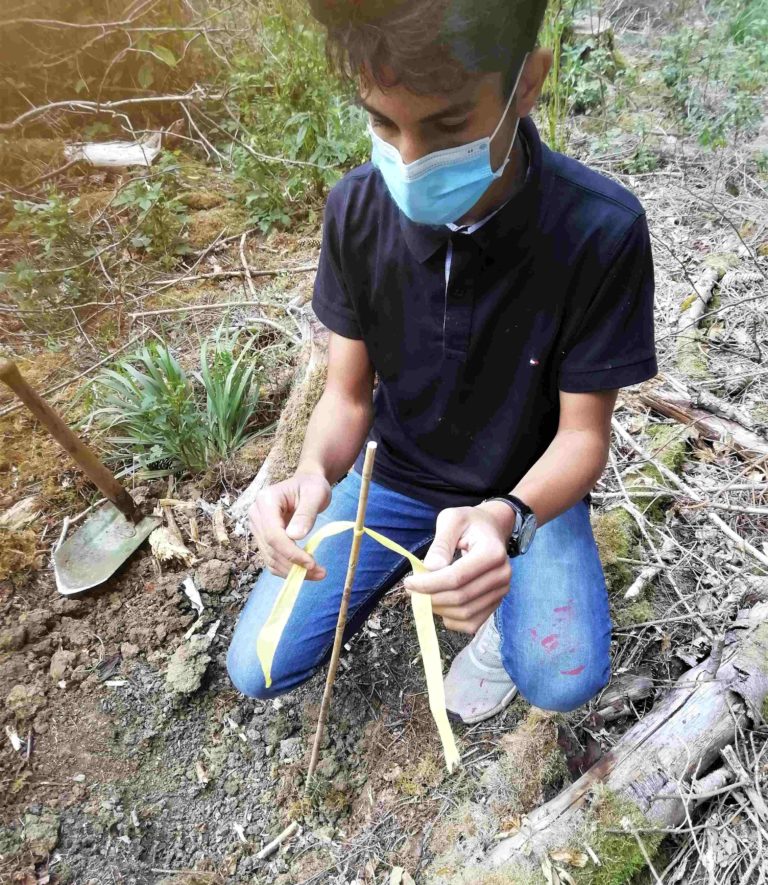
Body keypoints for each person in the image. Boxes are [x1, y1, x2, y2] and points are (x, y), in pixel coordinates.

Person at [227, 0, 657, 722]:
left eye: (448, 126)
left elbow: (584, 435)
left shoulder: (600, 230)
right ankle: (428, 553)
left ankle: (494, 619)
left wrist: (507, 517)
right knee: (256, 667)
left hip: (525, 492)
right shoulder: (357, 211)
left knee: (563, 676)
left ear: (527, 84)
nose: (412, 160)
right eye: (384, 124)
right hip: (392, 477)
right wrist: (309, 475)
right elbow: (347, 395)